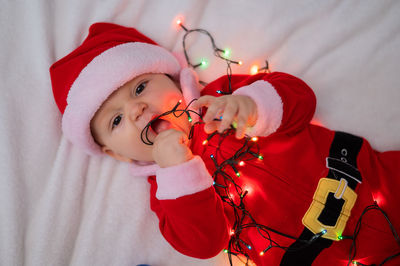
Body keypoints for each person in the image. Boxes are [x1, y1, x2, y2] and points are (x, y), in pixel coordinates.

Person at [50, 22, 400, 266]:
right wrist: (179, 171)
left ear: (170, 76)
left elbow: (301, 100)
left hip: (374, 178)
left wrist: (250, 106)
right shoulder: (168, 195)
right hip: (323, 258)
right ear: (114, 153)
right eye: (116, 120)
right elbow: (205, 244)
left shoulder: (222, 95)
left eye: (140, 88)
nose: (137, 109)